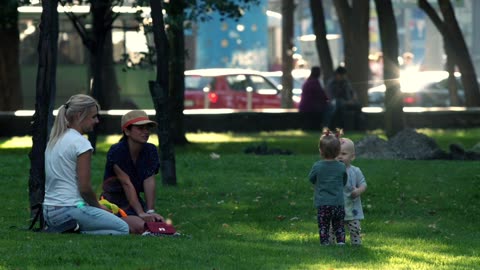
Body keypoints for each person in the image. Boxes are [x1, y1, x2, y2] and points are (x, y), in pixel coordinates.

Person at [43, 94, 129, 235]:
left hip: (48, 212)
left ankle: (66, 228)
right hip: (69, 209)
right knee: (122, 229)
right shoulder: (81, 143)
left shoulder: (55, 140)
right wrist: (99, 207)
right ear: (79, 116)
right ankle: (72, 231)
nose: (97, 121)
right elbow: (85, 188)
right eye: (93, 117)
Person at [101, 110, 165, 234]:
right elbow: (126, 183)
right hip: (113, 201)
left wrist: (150, 211)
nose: (146, 132)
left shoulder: (150, 150)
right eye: (140, 128)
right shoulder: (117, 150)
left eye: (148, 128)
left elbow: (149, 179)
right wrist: (141, 213)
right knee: (142, 226)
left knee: (156, 223)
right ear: (127, 131)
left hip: (134, 200)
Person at [307, 128, 347, 245]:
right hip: (338, 203)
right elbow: (344, 180)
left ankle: (325, 242)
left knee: (324, 225)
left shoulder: (317, 166)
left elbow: (311, 179)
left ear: (320, 150)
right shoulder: (341, 166)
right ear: (338, 150)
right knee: (338, 224)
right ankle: (341, 242)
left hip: (323, 203)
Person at [335, 138, 367, 245]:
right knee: (333, 227)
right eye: (336, 153)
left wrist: (358, 191)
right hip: (336, 206)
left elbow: (363, 184)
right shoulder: (331, 170)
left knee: (354, 228)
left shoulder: (355, 171)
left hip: (352, 206)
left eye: (343, 154)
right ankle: (331, 243)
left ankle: (356, 243)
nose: (339, 156)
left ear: (352, 156)